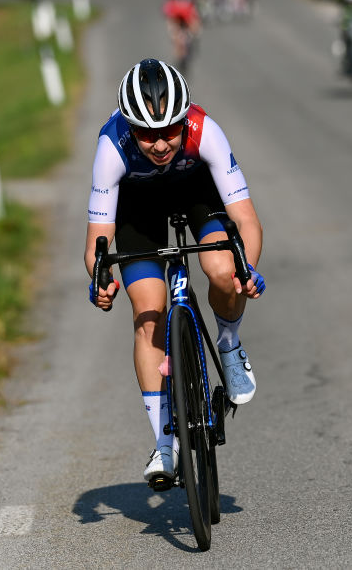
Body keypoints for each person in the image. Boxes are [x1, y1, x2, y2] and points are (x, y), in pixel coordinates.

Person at [84, 59, 265, 487]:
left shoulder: (205, 131)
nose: (161, 143)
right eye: (147, 134)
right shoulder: (112, 147)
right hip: (137, 207)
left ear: (185, 119)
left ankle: (229, 341)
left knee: (222, 269)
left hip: (195, 189)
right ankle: (165, 444)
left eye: (170, 131)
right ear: (131, 128)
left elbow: (247, 221)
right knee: (148, 312)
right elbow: (98, 238)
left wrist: (247, 269)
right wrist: (100, 281)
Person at [161, 0, 202, 73]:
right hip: (178, 20)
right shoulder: (173, 10)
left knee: (191, 34)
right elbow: (171, 24)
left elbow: (195, 25)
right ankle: (180, 56)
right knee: (177, 39)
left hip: (187, 20)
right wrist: (175, 35)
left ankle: (183, 53)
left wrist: (192, 34)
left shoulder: (189, 10)